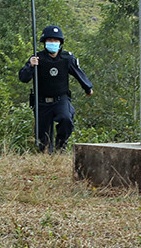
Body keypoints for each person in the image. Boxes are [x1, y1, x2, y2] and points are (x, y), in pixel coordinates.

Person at [18, 25, 93, 153]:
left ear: (60, 42)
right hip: (41, 101)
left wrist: (88, 88)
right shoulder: (37, 58)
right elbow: (23, 78)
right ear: (44, 42)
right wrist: (30, 66)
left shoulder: (67, 58)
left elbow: (78, 72)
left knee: (66, 119)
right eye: (50, 40)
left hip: (60, 99)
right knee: (44, 139)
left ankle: (60, 148)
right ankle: (47, 156)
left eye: (55, 40)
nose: (53, 43)